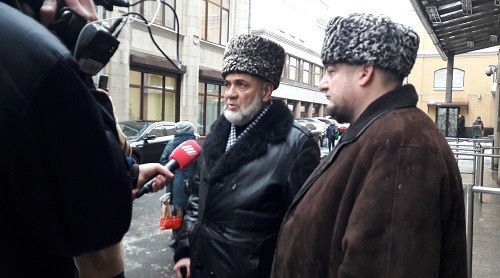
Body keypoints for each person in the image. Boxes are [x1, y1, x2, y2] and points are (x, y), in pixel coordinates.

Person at [272, 13, 467, 277]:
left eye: (331, 71)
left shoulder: (401, 146)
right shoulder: (381, 133)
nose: (322, 84)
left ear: (365, 72)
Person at [0, 1, 173, 277]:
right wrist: (70, 66)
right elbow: (95, 193)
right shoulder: (39, 68)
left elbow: (104, 154)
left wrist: (131, 172)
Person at [172, 34, 321, 278]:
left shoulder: (296, 147)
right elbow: (197, 201)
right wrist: (185, 249)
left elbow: (305, 236)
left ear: (266, 91)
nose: (230, 93)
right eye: (227, 83)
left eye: (241, 84)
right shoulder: (217, 135)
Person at [160, 121, 198, 249]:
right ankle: (188, 240)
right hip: (193, 184)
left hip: (175, 183)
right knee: (191, 211)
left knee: (176, 210)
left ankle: (176, 237)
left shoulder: (171, 144)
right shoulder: (196, 145)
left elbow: (164, 161)